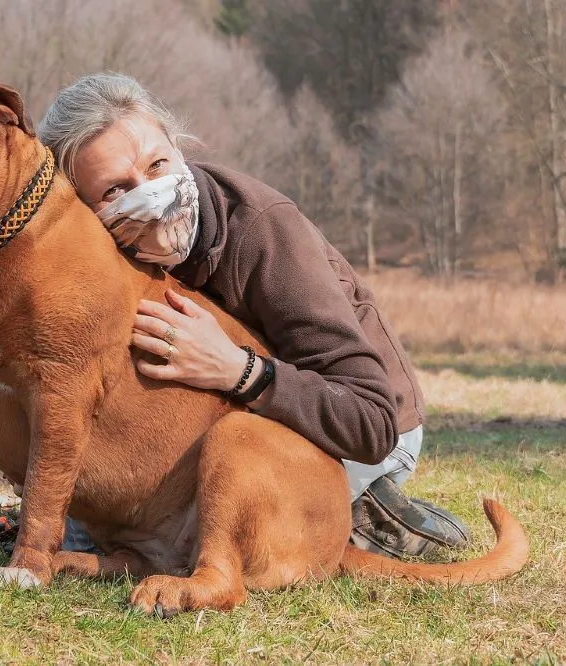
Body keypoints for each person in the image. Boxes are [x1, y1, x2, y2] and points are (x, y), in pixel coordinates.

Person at [27, 72, 469, 559]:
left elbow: (371, 421)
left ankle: (355, 515)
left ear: (178, 147)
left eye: (157, 164)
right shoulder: (98, 257)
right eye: (114, 191)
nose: (149, 193)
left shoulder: (264, 231)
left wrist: (237, 370)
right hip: (226, 427)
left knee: (216, 536)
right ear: (83, 211)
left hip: (367, 433)